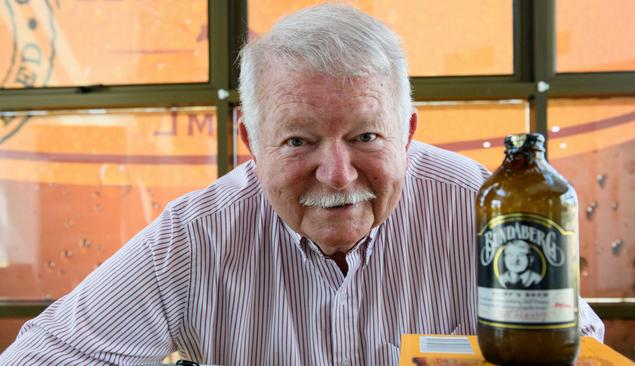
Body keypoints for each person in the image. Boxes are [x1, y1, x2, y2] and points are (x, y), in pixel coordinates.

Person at [0, 4, 604, 365]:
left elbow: (575, 342)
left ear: (408, 133)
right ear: (249, 143)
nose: (338, 175)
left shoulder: (485, 203)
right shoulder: (193, 237)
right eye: (298, 141)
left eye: (367, 137)